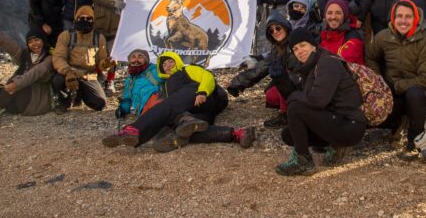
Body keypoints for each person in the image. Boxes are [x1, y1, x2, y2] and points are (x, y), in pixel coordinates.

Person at [102, 51, 252, 151]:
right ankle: (236, 134)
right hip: (201, 110)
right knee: (192, 129)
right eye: (164, 65)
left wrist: (202, 92)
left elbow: (208, 78)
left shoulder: (186, 70)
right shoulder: (167, 84)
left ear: (177, 61)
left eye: (169, 62)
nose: (167, 65)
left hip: (208, 96)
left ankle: (135, 130)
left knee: (169, 105)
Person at [276, 29, 367, 176]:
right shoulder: (310, 67)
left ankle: (303, 162)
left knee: (295, 109)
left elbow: (317, 101)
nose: (299, 51)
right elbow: (311, 102)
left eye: (303, 45)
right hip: (336, 119)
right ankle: (335, 146)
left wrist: (294, 96)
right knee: (289, 135)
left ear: (313, 45)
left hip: (350, 125)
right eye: (295, 49)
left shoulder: (327, 62)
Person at [366, 0, 426, 166]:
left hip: (418, 93)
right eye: (399, 16)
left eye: (408, 16)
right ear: (393, 18)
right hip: (392, 89)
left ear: (415, 18)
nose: (403, 21)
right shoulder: (384, 36)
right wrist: (378, 80)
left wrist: (398, 85)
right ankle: (396, 126)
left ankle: (414, 141)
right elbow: (371, 57)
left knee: (414, 95)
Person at [227, 11, 299, 128]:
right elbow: (261, 68)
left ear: (286, 27)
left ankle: (286, 114)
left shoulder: (295, 44)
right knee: (270, 95)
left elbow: (297, 74)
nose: (275, 32)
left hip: (301, 86)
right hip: (291, 86)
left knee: (281, 76)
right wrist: (238, 83)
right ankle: (289, 106)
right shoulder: (277, 49)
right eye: (271, 30)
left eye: (278, 28)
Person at [51, 5, 112, 113]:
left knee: (100, 104)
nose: (85, 20)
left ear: (93, 20)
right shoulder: (66, 36)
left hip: (88, 76)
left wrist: (106, 64)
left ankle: (79, 95)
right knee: (57, 80)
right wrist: (68, 72)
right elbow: (58, 58)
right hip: (70, 73)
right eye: (81, 18)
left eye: (89, 18)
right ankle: (63, 102)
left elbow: (101, 62)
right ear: (76, 19)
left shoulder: (99, 38)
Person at [89, 0, 128, 97]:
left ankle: (110, 80)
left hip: (117, 21)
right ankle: (99, 75)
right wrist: (114, 3)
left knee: (113, 53)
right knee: (98, 52)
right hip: (100, 20)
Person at [115, 49, 164, 118]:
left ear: (146, 60)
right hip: (142, 113)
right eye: (133, 57)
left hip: (156, 107)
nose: (136, 60)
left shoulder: (156, 71)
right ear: (130, 61)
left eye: (140, 57)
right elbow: (127, 98)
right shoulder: (130, 79)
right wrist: (123, 109)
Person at [319, 0, 364, 65]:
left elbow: (339, 65)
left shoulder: (353, 38)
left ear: (345, 16)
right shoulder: (324, 35)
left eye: (338, 13)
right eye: (329, 13)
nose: (333, 17)